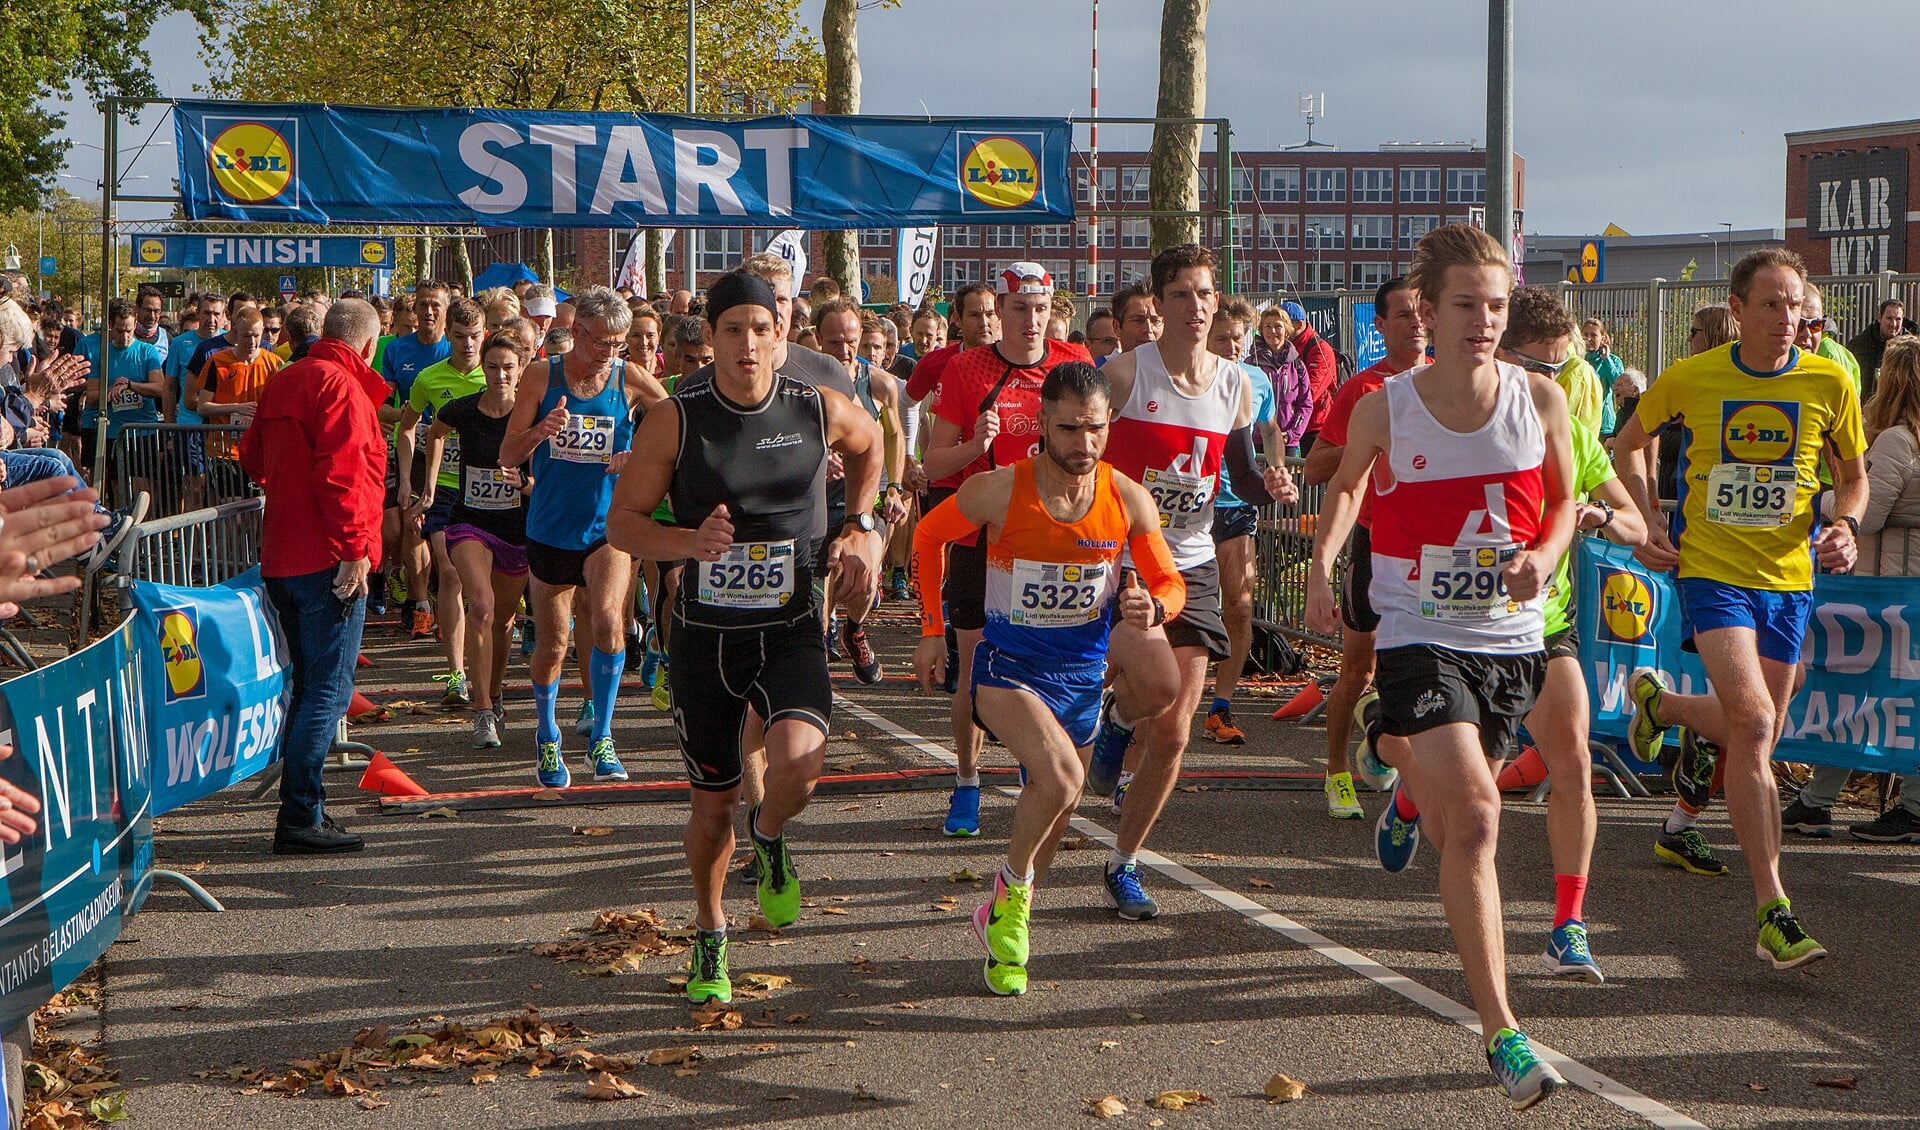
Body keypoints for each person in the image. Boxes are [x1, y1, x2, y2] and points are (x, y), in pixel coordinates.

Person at [1305, 224, 1577, 1109]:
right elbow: (1346, 486)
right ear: (1429, 308)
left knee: (1460, 807)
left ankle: (1396, 766)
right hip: (1418, 630)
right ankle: (1503, 1032)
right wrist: (1319, 566)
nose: (1484, 320)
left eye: (1496, 305)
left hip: (1511, 637)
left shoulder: (1540, 398)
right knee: (1483, 819)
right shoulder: (1391, 405)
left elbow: (1568, 500)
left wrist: (1544, 553)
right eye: (1467, 304)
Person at [604, 271, 883, 1006]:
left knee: (800, 769)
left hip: (790, 629)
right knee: (709, 807)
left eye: (763, 328)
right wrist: (688, 539)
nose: (749, 344)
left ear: (781, 335)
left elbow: (874, 443)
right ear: (713, 338)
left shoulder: (814, 406)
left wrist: (862, 524)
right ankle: (710, 929)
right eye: (734, 329)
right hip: (706, 641)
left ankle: (771, 833)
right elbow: (623, 525)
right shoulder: (675, 417)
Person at [1613, 247, 1866, 970]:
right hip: (1711, 572)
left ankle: (1663, 707)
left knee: (1761, 731)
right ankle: (1773, 909)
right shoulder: (1693, 376)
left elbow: (1855, 476)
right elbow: (1628, 445)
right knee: (1754, 723)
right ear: (1739, 310)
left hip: (1788, 579)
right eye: (1772, 305)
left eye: (1797, 307)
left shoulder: (1829, 380)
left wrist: (1845, 524)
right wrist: (1647, 520)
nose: (1788, 319)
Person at [912, 362, 1184, 995]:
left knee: (1056, 813)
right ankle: (1009, 898)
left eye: (1095, 429)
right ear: (1042, 425)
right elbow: (928, 537)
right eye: (1069, 429)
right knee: (1063, 779)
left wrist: (1156, 608)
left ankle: (1004, 914)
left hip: (1082, 673)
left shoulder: (1126, 498)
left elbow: (1168, 581)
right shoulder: (1002, 489)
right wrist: (932, 628)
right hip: (1007, 671)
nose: (1083, 444)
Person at [1085, 243, 1296, 920]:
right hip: (1120, 558)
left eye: (1206, 293)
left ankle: (1124, 863)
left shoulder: (1237, 383)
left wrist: (1272, 482)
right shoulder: (1122, 374)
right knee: (1149, 685)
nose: (1196, 306)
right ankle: (1117, 717)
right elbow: (1075, 458)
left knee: (1174, 732)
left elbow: (1235, 473)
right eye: (1182, 294)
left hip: (1193, 561)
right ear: (1159, 304)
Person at [1496, 315, 1647, 985]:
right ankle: (1412, 795)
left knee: (1574, 760)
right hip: (1457, 628)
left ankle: (1567, 927)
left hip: (1543, 623)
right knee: (1458, 775)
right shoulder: (1446, 421)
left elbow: (1639, 522)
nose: (1551, 384)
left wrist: (1600, 516)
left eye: (1563, 371)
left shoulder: (1573, 434)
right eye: (1539, 368)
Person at [922, 265, 1095, 835]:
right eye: (1019, 309)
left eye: (1040, 307)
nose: (1031, 319)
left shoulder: (1072, 362)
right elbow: (932, 465)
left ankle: (1038, 774)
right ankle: (967, 780)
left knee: (1050, 667)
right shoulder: (968, 367)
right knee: (975, 669)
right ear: (999, 311)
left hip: (1050, 542)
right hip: (983, 543)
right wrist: (977, 442)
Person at [239, 299, 389, 855]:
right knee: (328, 689)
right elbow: (347, 477)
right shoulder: (342, 387)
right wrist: (355, 551)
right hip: (327, 558)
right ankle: (301, 813)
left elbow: (251, 456)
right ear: (369, 345)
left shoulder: (287, 378)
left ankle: (306, 810)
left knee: (310, 687)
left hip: (283, 554)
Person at [501, 287, 666, 788]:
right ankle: (547, 734)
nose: (609, 353)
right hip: (550, 527)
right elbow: (508, 454)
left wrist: (636, 458)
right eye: (601, 343)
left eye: (618, 344)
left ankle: (602, 734)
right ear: (577, 333)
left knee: (611, 622)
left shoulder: (630, 378)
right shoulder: (541, 375)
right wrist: (541, 431)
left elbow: (676, 424)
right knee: (554, 643)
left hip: (607, 526)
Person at [1780, 333, 1920, 843]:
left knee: (1866, 693)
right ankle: (1818, 800)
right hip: (1903, 588)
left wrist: (1817, 502)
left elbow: (1871, 513)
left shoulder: (1896, 440)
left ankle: (1903, 805)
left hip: (1888, 587)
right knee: (1884, 697)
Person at [1302, 276, 1425, 818]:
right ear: (1380, 325)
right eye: (1403, 314)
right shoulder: (1365, 390)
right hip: (1376, 543)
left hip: (1436, 551)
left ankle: (1399, 757)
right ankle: (1336, 774)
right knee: (1359, 670)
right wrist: (1368, 443)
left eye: (1423, 311)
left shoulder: (1455, 384)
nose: (1416, 322)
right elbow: (1316, 466)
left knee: (1425, 665)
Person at [418, 330, 533, 749]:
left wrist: (523, 483)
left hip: (516, 529)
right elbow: (433, 433)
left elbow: (548, 475)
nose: (500, 375)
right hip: (469, 523)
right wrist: (430, 485)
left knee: (503, 620)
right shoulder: (464, 409)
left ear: (521, 369)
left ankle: (496, 693)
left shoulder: (530, 414)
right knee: (480, 605)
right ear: (482, 369)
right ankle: (482, 709)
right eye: (492, 367)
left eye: (508, 367)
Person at [399, 297, 489, 706]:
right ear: (447, 335)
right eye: (459, 337)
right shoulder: (429, 378)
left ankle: (487, 669)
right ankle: (456, 674)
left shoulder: (503, 375)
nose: (468, 344)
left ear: (484, 333)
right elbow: (406, 429)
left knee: (485, 590)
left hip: (490, 488)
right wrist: (407, 482)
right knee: (450, 574)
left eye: (474, 336)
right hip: (446, 488)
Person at [813, 299, 909, 684]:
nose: (845, 350)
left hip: (864, 500)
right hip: (817, 502)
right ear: (818, 340)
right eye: (834, 342)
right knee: (819, 597)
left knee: (864, 581)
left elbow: (895, 436)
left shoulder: (880, 383)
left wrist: (896, 487)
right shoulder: (805, 381)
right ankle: (817, 664)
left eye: (851, 340)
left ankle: (854, 629)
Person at [1201, 295, 1282, 746]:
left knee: (1240, 605)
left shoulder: (1257, 379)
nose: (1231, 346)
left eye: (1238, 338)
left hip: (1235, 505)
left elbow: (1270, 429)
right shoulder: (1190, 376)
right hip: (1188, 507)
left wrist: (1274, 468)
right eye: (1222, 338)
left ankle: (1220, 706)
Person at [382, 281, 452, 641]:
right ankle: (419, 604)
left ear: (446, 309)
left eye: (435, 305)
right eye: (423, 305)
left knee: (449, 531)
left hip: (455, 455)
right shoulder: (397, 350)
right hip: (412, 448)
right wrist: (406, 416)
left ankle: (449, 604)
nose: (428, 311)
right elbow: (379, 404)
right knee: (413, 524)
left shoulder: (458, 348)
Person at [1247, 305, 1311, 456]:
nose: (1272, 331)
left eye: (1278, 326)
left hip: (1287, 443)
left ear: (1286, 331)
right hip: (1257, 441)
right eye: (1267, 326)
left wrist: (1292, 434)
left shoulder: (1297, 365)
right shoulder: (1251, 363)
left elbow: (1306, 404)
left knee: (1285, 479)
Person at [1283, 301, 1339, 454]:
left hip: (1315, 425)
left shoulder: (1320, 349)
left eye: (1283, 325)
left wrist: (1285, 405)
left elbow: (1313, 390)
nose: (1278, 330)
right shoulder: (1285, 347)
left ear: (1298, 324)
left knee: (1311, 475)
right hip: (1288, 423)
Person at [1846, 298, 1918, 399]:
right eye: (1889, 318)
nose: (1893, 324)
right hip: (1865, 407)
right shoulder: (1859, 345)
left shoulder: (1910, 348)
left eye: (1898, 319)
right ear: (1879, 318)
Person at [1583, 318, 1624, 436]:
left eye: (1593, 335)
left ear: (1603, 338)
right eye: (1585, 335)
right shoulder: (1577, 360)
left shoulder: (1613, 361)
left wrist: (1606, 359)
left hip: (1604, 424)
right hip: (1582, 423)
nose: (1588, 339)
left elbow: (1618, 385)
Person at [1111, 284, 1162, 354]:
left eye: (1156, 321)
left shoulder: (1178, 364)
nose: (1148, 329)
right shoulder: (1103, 364)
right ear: (1117, 328)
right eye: (1138, 320)